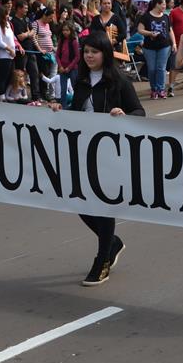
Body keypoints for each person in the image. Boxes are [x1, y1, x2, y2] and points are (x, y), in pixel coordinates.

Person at [50, 32, 142, 286]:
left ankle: (102, 260)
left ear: (105, 54)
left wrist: (124, 113)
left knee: (104, 205)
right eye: (86, 51)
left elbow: (139, 111)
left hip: (111, 153)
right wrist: (59, 110)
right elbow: (77, 112)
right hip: (83, 150)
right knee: (78, 200)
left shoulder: (119, 81)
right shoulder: (80, 80)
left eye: (95, 52)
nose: (89, 56)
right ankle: (112, 242)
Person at [138, 0, 175, 100]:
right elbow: (140, 30)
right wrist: (150, 33)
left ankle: (161, 89)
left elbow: (170, 31)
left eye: (165, 5)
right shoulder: (146, 16)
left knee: (161, 68)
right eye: (163, 4)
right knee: (152, 69)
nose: (164, 7)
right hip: (149, 47)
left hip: (164, 45)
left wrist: (174, 43)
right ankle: (153, 89)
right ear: (156, 4)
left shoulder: (166, 17)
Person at [55, 21, 79, 106]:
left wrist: (69, 67)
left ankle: (76, 104)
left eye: (67, 30)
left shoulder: (74, 41)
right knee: (63, 89)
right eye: (63, 30)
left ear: (71, 31)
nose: (65, 32)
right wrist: (60, 66)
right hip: (62, 68)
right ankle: (63, 105)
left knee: (74, 87)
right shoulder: (61, 41)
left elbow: (77, 57)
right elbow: (57, 55)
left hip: (72, 68)